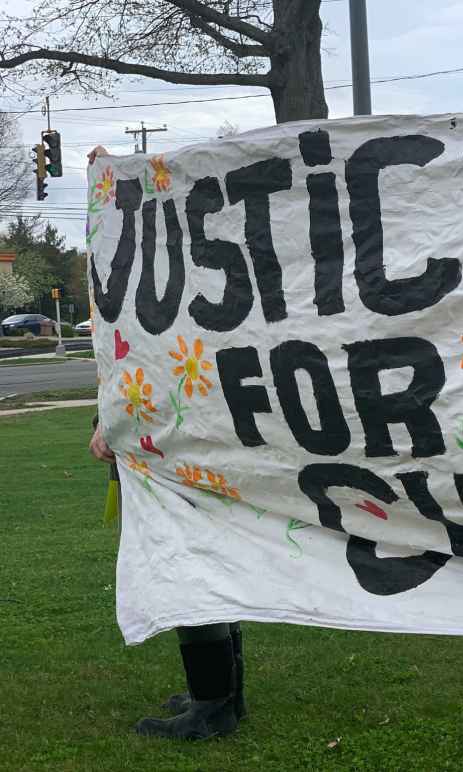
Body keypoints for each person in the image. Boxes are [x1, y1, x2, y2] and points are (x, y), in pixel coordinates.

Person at [88, 145, 245, 741]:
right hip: (188, 445)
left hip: (178, 450)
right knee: (208, 566)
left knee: (187, 568)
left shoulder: (176, 292)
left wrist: (115, 426)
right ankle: (225, 696)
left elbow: (158, 369)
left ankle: (214, 705)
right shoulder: (176, 285)